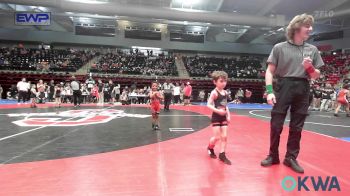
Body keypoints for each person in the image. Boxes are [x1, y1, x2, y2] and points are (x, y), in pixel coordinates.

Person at [261, 13, 324, 174]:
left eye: (311, 26)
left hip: (303, 87)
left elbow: (316, 75)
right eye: (307, 26)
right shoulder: (279, 48)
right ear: (296, 27)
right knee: (276, 125)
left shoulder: (312, 49)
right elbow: (269, 71)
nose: (310, 29)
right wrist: (269, 91)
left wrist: (309, 67)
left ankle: (291, 158)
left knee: (297, 127)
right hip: (283, 85)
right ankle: (273, 155)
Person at [207, 71, 231, 165]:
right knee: (217, 137)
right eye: (221, 81)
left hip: (223, 117)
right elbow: (208, 105)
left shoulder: (225, 92)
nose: (224, 83)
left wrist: (228, 115)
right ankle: (210, 147)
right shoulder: (214, 92)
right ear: (215, 82)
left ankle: (222, 154)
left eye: (225, 81)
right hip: (216, 117)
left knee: (224, 137)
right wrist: (218, 111)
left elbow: (226, 105)